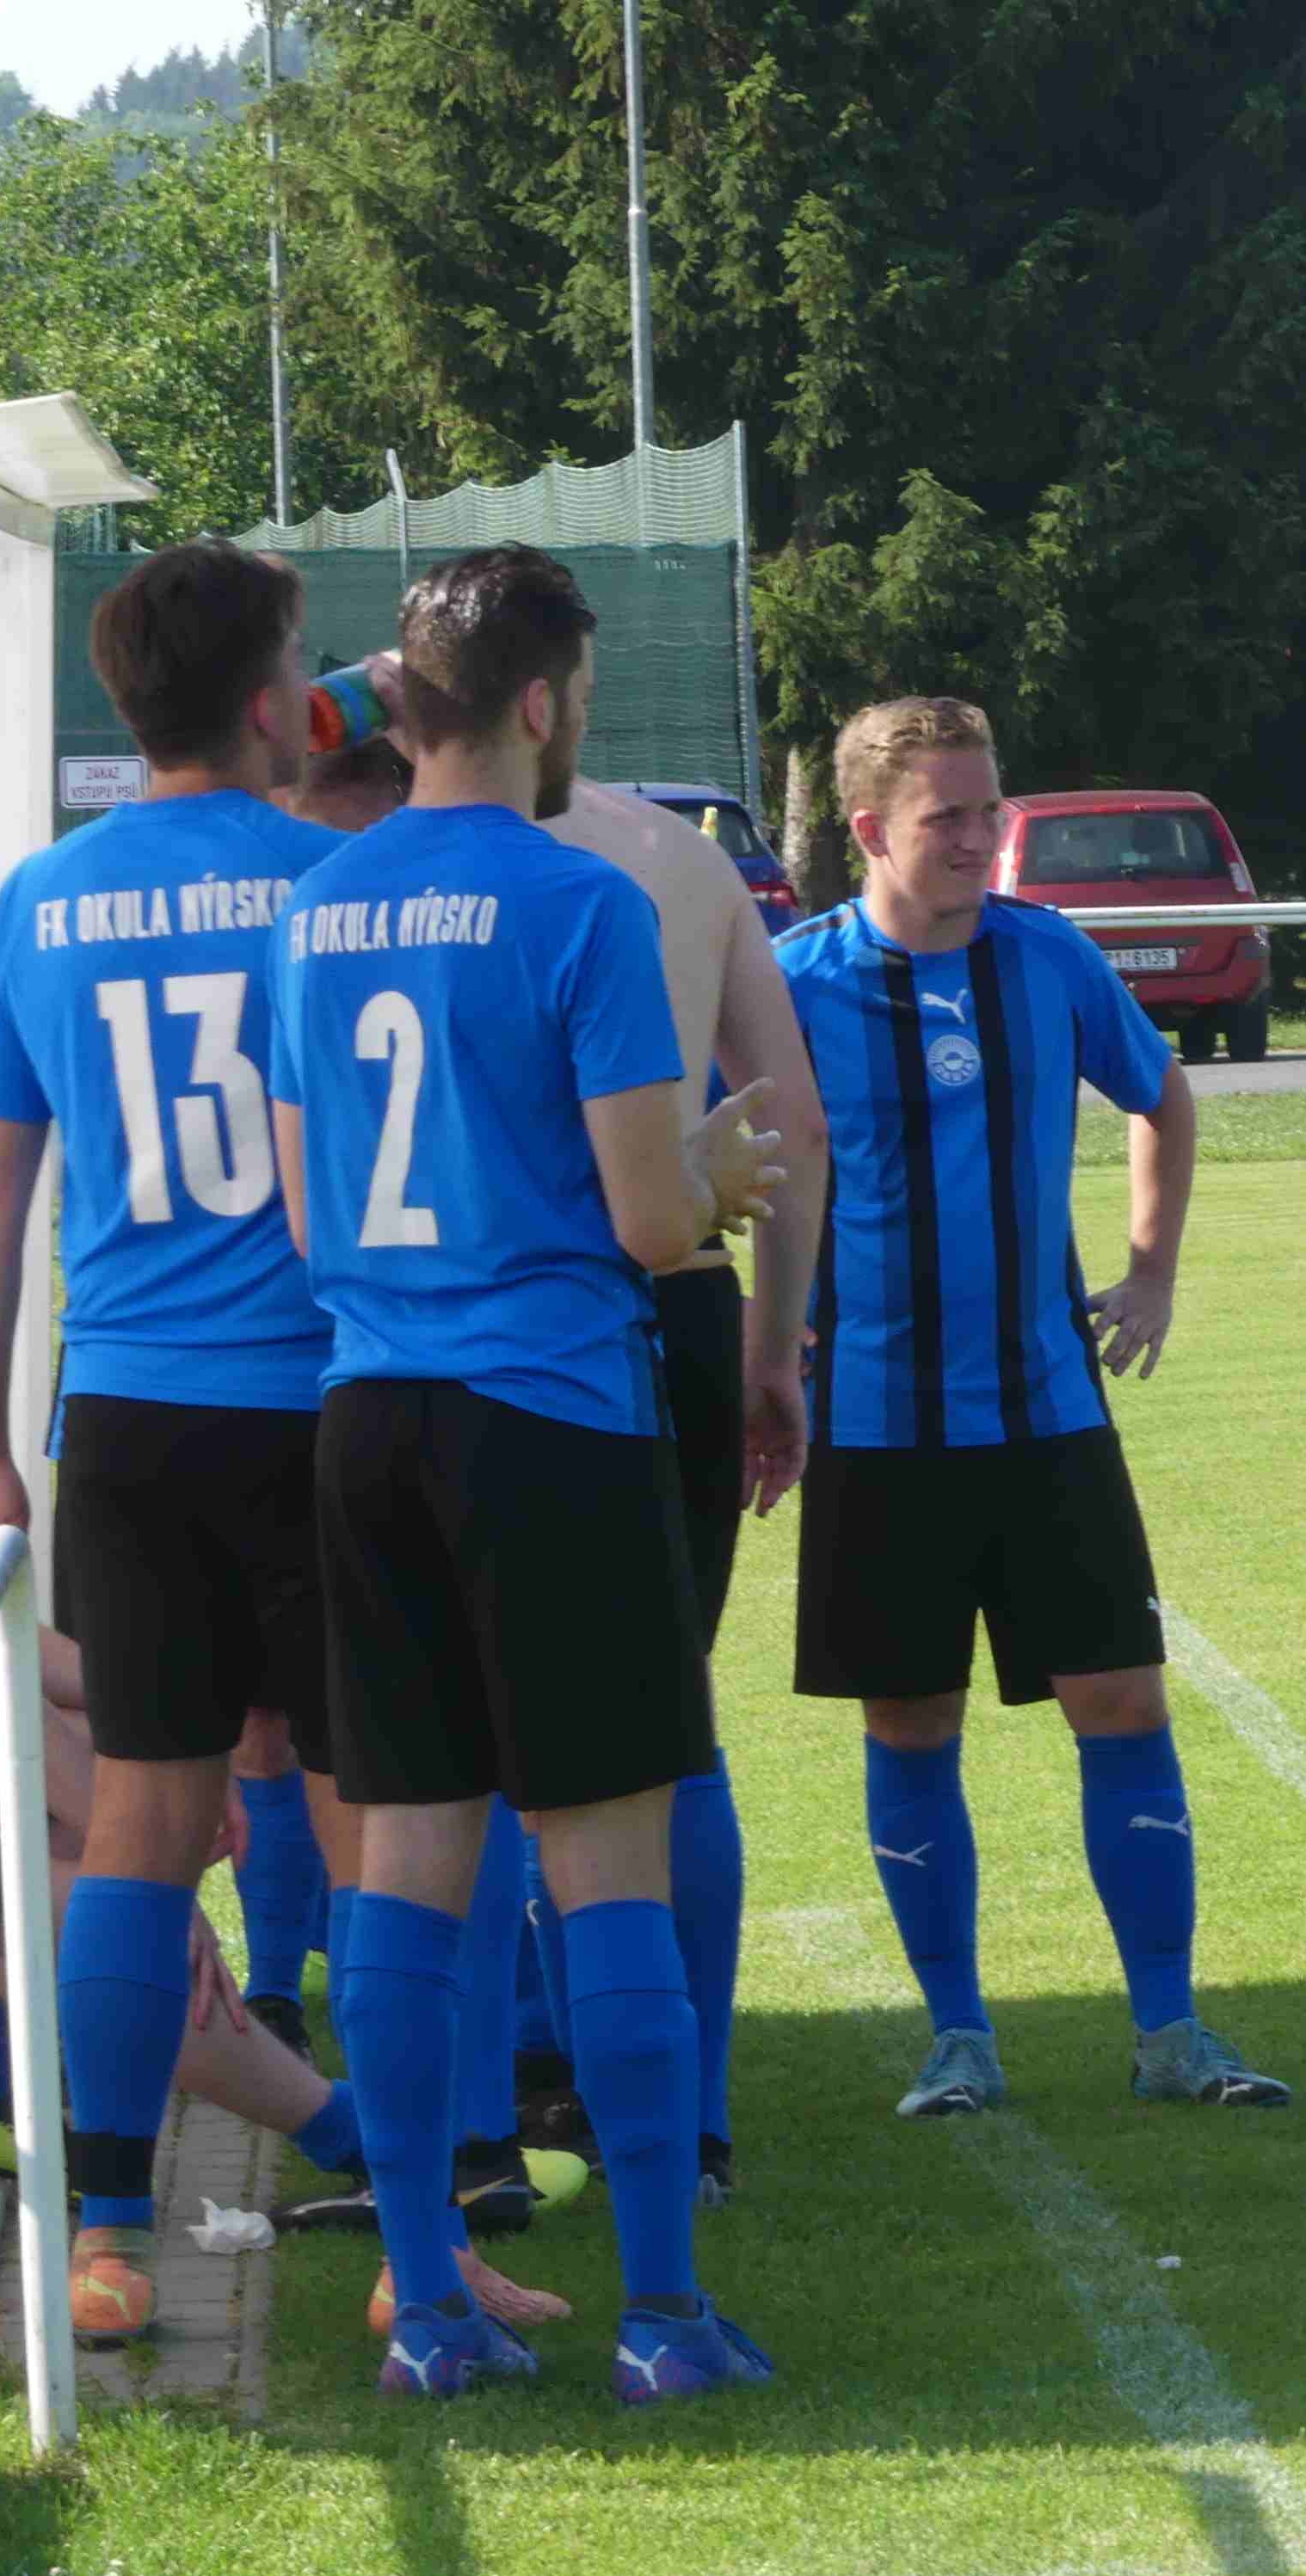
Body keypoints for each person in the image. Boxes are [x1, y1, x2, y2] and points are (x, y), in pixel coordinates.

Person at [266, 544, 784, 2405]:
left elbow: (314, 1214)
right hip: (549, 1419)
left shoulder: (313, 908)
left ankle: (430, 2305)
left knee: (409, 1862)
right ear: (547, 702)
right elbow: (650, 1222)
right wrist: (719, 1178)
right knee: (605, 1854)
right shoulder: (579, 900)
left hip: (368, 1414)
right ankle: (662, 2314)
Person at [0, 540, 345, 2345]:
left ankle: (104, 2232)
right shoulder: (333, 884)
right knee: (388, 1814)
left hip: (127, 1415)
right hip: (328, 1401)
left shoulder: (39, 900)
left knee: (143, 1830)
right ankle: (424, 2212)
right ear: (266, 697)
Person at [778, 696, 1287, 2120]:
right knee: (910, 1724)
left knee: (1120, 1701)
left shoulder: (1047, 955)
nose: (977, 836)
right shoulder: (794, 983)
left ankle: (1172, 2031)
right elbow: (711, 1154)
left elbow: (1161, 1096)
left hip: (1047, 1415)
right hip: (875, 1427)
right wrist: (768, 1333)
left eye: (987, 808)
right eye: (946, 815)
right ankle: (957, 2039)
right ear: (870, 829)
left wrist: (1152, 1271)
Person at [527, 778, 831, 2199]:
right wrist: (778, 1350)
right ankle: (687, 2114)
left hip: (495, 1316)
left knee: (465, 1744)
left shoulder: (383, 853)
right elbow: (794, 1124)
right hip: (690, 1304)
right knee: (669, 1726)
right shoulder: (676, 856)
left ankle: (512, 2093)